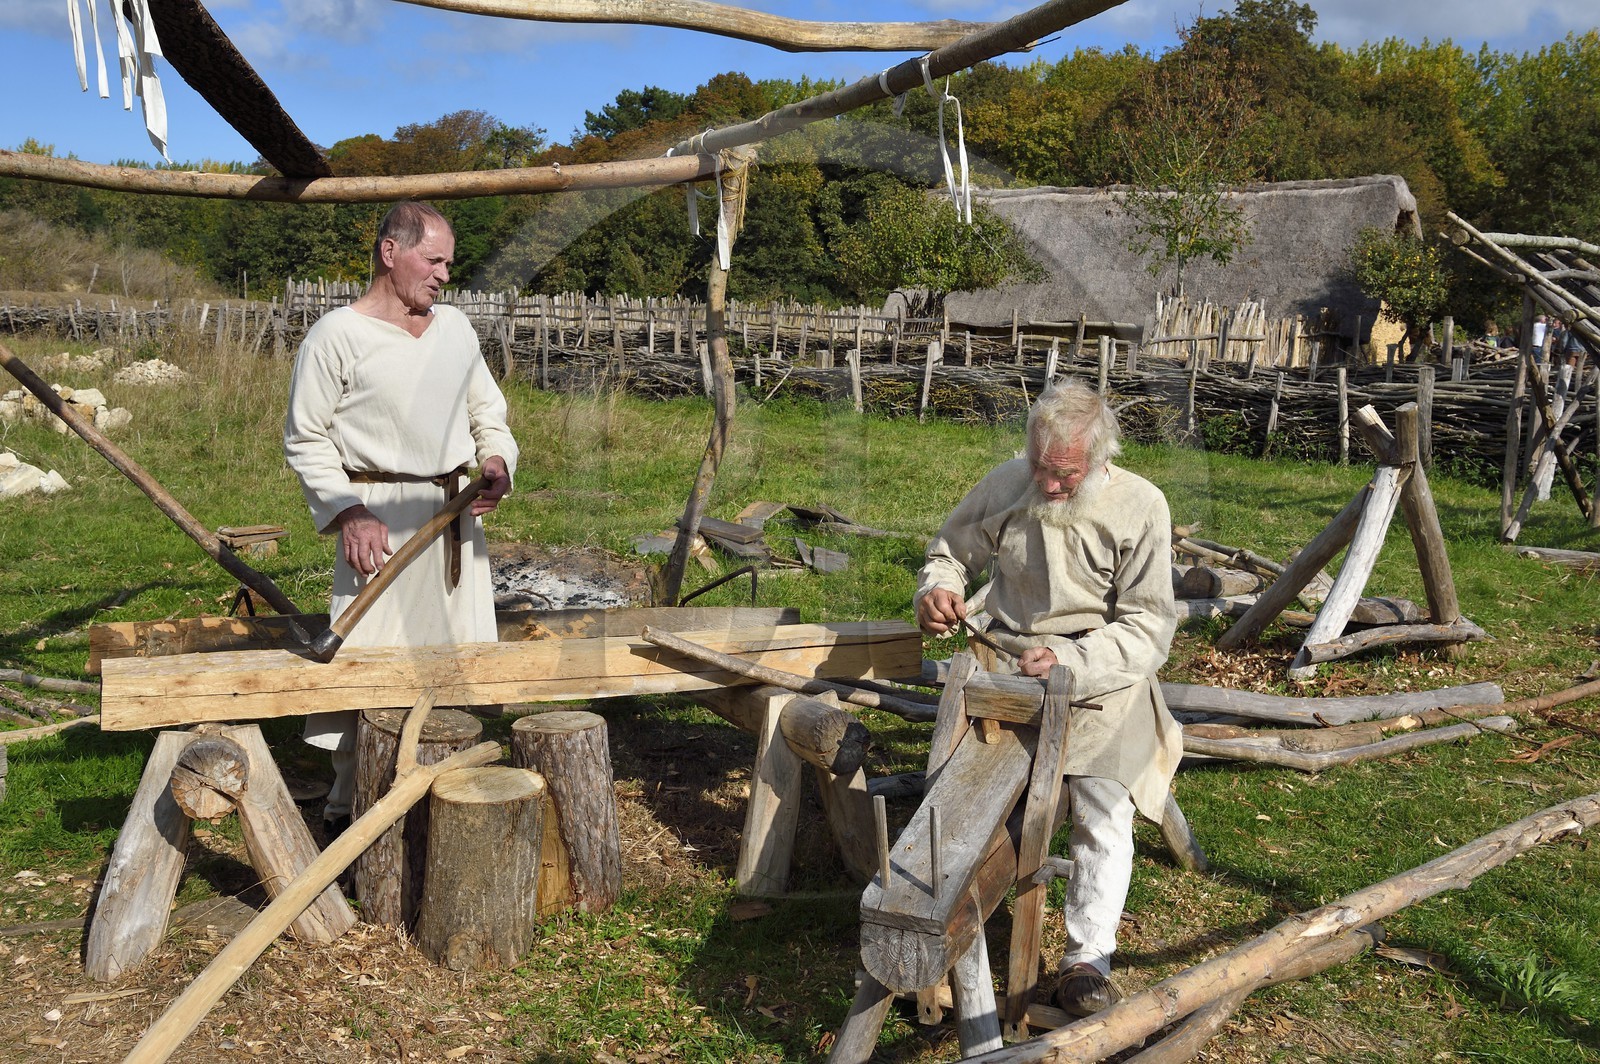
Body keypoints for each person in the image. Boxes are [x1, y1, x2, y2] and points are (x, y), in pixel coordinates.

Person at [914, 378, 1180, 1018]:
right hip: (1002, 663)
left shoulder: (1141, 505)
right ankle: (940, 927)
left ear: (1099, 458)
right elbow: (951, 553)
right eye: (1041, 467)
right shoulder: (1009, 484)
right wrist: (937, 588)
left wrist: (1072, 658)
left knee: (1101, 810)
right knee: (965, 797)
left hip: (1099, 678)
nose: (1050, 485)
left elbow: (1148, 626)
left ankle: (1087, 959)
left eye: (1065, 473)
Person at [284, 201, 517, 833]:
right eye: (434, 260)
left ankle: (448, 803)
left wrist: (494, 461)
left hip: (452, 524)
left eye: (448, 262)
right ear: (391, 253)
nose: (445, 274)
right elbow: (306, 439)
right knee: (372, 667)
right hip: (379, 526)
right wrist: (349, 512)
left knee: (452, 663)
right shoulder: (337, 336)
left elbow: (486, 414)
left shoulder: (457, 331)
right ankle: (351, 813)